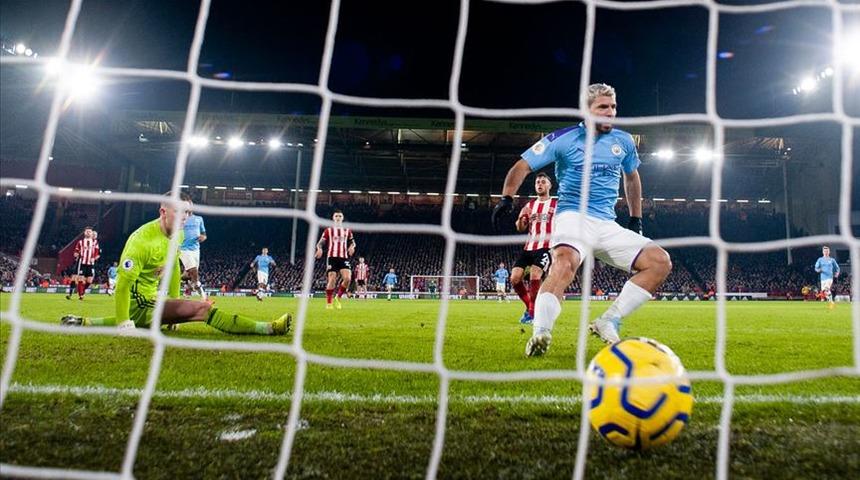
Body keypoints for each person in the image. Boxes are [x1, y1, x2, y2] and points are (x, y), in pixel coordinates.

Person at [492, 83, 672, 356]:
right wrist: (506, 198)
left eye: (613, 107)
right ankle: (541, 333)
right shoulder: (562, 139)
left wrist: (635, 218)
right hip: (573, 217)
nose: (610, 112)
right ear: (586, 110)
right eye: (603, 107)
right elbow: (522, 166)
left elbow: (632, 177)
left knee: (659, 262)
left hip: (606, 223)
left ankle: (608, 320)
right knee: (564, 265)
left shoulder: (623, 141)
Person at [60, 193, 290, 336]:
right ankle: (268, 328)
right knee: (203, 309)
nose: (185, 217)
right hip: (137, 301)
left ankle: (83, 322)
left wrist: (174, 298)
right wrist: (123, 323)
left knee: (149, 322)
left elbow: (172, 267)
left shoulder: (178, 235)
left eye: (188, 212)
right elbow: (122, 286)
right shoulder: (141, 242)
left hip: (152, 300)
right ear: (163, 212)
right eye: (180, 211)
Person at [511, 172, 556, 324]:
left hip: (546, 247)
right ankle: (531, 309)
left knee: (535, 275)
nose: (540, 184)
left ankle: (532, 315)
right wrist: (521, 218)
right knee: (514, 278)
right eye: (538, 182)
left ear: (549, 186)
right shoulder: (529, 206)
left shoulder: (557, 205)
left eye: (543, 182)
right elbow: (520, 228)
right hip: (528, 247)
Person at [315, 209, 355, 310]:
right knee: (332, 278)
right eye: (336, 216)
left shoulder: (347, 231)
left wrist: (352, 247)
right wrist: (319, 249)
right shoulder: (328, 230)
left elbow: (352, 242)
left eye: (340, 216)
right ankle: (329, 303)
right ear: (333, 218)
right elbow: (320, 242)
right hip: (332, 257)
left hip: (343, 257)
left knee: (348, 278)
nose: (338, 218)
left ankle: (338, 298)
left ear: (342, 218)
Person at [179, 205, 207, 300]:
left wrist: (203, 237)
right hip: (183, 248)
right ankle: (200, 291)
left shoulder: (199, 219)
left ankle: (184, 286)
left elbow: (204, 234)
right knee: (194, 270)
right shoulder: (180, 218)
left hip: (196, 249)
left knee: (188, 274)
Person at [66, 226, 100, 300]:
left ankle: (81, 291)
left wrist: (94, 258)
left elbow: (97, 254)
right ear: (84, 233)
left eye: (90, 232)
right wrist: (76, 254)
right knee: (75, 278)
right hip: (80, 262)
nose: (88, 233)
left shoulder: (95, 242)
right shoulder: (81, 242)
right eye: (87, 231)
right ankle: (75, 294)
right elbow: (76, 251)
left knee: (89, 280)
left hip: (90, 264)